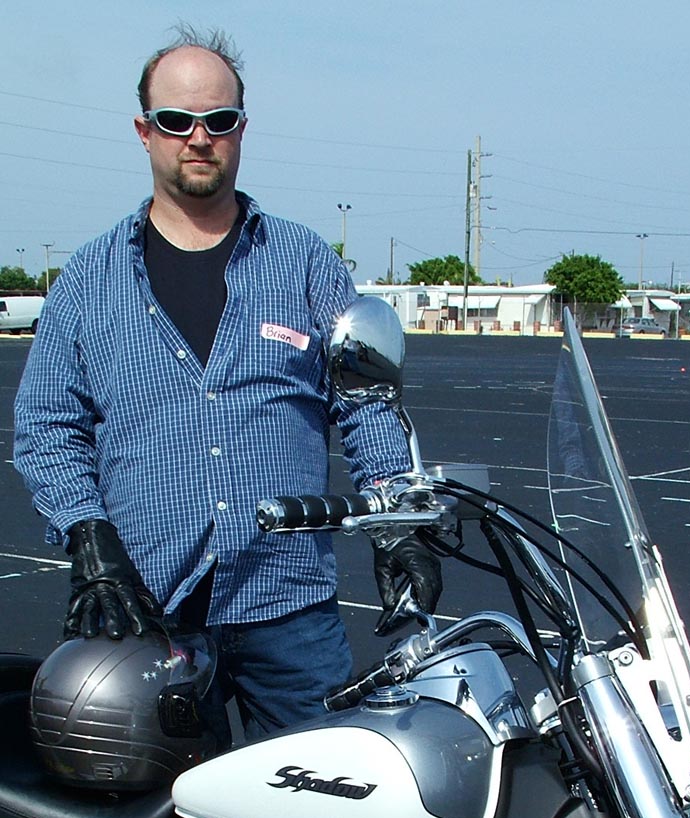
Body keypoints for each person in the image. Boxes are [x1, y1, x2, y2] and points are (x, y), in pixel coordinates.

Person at [13, 26, 441, 740]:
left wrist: (398, 527)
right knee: (164, 806)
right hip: (146, 608)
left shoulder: (304, 262)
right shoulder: (89, 279)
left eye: (218, 119)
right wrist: (88, 537)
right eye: (176, 120)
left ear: (241, 128)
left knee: (322, 795)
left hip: (290, 609)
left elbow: (367, 404)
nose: (198, 138)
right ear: (144, 132)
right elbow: (47, 428)